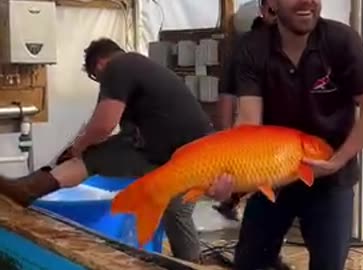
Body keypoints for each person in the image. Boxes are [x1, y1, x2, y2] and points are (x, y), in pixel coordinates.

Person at [208, 0, 363, 269]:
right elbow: (249, 124)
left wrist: (338, 161)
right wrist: (229, 181)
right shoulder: (253, 47)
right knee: (250, 263)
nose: (308, 1)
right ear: (271, 4)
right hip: (272, 177)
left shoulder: (340, 41)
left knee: (328, 265)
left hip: (331, 178)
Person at [0, 38, 215, 263]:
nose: (99, 82)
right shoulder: (140, 67)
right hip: (191, 149)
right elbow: (112, 128)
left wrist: (77, 148)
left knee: (92, 157)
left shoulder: (117, 67)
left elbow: (103, 125)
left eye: (95, 76)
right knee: (176, 210)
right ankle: (190, 263)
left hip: (183, 153)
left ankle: (28, 189)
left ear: (100, 64)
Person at [213, 0, 277, 221]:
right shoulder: (246, 48)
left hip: (258, 137)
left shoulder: (239, 46)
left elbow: (225, 99)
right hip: (270, 137)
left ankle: (234, 202)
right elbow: (227, 97)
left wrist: (224, 139)